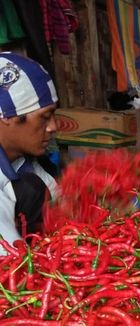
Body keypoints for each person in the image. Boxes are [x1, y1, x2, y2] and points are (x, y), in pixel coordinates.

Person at [0, 52, 58, 253]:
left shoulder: (29, 162)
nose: (53, 127)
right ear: (8, 116)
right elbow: (9, 261)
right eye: (45, 117)